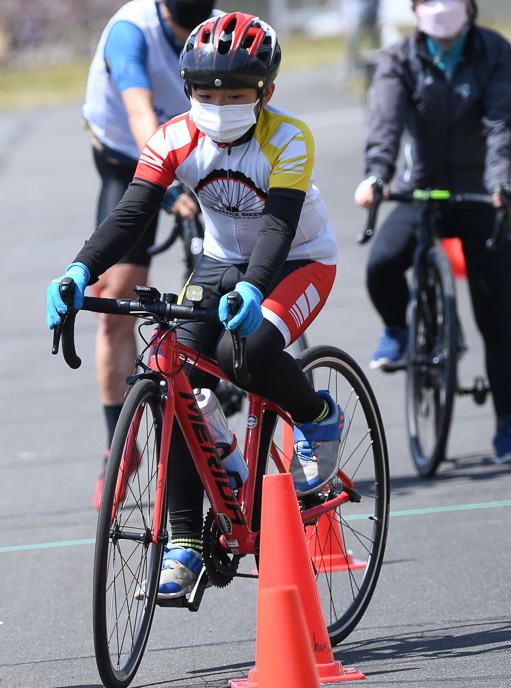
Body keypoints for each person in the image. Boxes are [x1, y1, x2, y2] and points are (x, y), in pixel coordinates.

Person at [47, 13, 345, 600]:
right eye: (207, 93)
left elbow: (280, 226)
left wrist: (256, 287)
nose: (220, 104)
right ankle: (186, 538)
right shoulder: (174, 137)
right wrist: (81, 269)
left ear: (267, 93)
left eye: (236, 94)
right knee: (172, 366)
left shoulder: (288, 137)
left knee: (251, 349)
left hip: (297, 260)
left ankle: (316, 415)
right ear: (188, 91)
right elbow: (131, 213)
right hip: (219, 260)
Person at [354, 0, 511, 464]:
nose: (440, 6)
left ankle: (508, 431)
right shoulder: (398, 58)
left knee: (496, 317)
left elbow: (498, 127)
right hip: (419, 190)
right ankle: (398, 329)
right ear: (412, 9)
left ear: (470, 6)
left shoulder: (496, 52)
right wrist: (377, 175)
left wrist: (499, 185)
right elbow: (386, 123)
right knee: (381, 264)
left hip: (478, 195)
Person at [80, 0, 214, 509]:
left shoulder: (212, 25)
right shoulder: (130, 33)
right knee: (115, 303)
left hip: (200, 149)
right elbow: (139, 112)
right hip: (129, 160)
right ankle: (121, 446)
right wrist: (163, 184)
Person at [343, 0, 381, 83]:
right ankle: (350, 70)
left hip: (373, 15)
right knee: (353, 39)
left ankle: (380, 67)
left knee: (377, 44)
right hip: (357, 15)